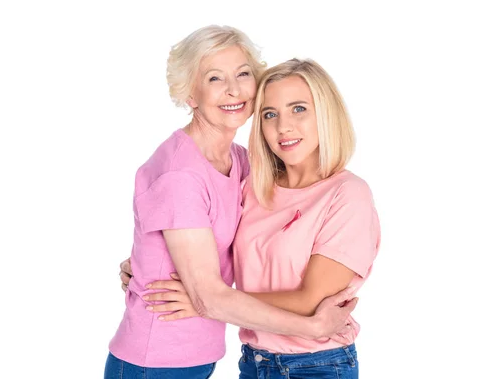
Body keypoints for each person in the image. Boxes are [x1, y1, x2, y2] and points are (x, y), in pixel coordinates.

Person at [105, 27, 358, 379]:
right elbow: (208, 297)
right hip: (156, 360)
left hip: (199, 356)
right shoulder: (181, 173)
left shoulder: (240, 163)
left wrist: (146, 262)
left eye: (242, 74)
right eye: (214, 78)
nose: (233, 90)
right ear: (190, 94)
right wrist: (313, 328)